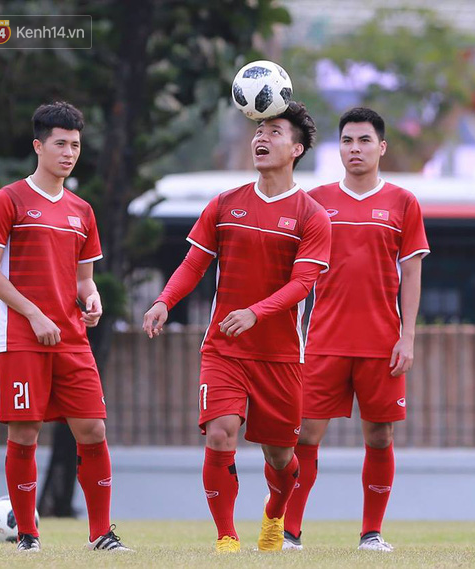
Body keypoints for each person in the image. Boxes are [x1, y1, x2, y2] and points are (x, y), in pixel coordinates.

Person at [143, 101, 332, 553]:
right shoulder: (225, 205)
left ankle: (274, 515)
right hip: (224, 349)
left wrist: (256, 312)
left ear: (298, 148)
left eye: (275, 132)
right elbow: (193, 264)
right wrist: (163, 301)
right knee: (221, 432)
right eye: (258, 131)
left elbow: (304, 283)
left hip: (281, 355)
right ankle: (226, 538)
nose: (261, 139)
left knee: (281, 457)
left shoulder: (312, 215)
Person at [0, 102, 130, 552]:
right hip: (20, 337)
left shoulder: (82, 210)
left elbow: (84, 278)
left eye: (76, 145)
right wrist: (34, 314)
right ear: (38, 146)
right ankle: (28, 536)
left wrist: (93, 298)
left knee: (94, 431)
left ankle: (101, 534)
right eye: (60, 143)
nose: (69, 152)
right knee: (25, 434)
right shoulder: (9, 200)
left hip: (71, 339)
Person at [283, 108, 429, 551]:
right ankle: (288, 533)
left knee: (379, 435)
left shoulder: (403, 202)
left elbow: (413, 274)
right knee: (305, 434)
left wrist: (407, 336)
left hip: (382, 343)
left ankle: (371, 533)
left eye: (364, 141)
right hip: (323, 340)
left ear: (381, 147)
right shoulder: (314, 200)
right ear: (338, 148)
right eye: (347, 141)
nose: (355, 149)